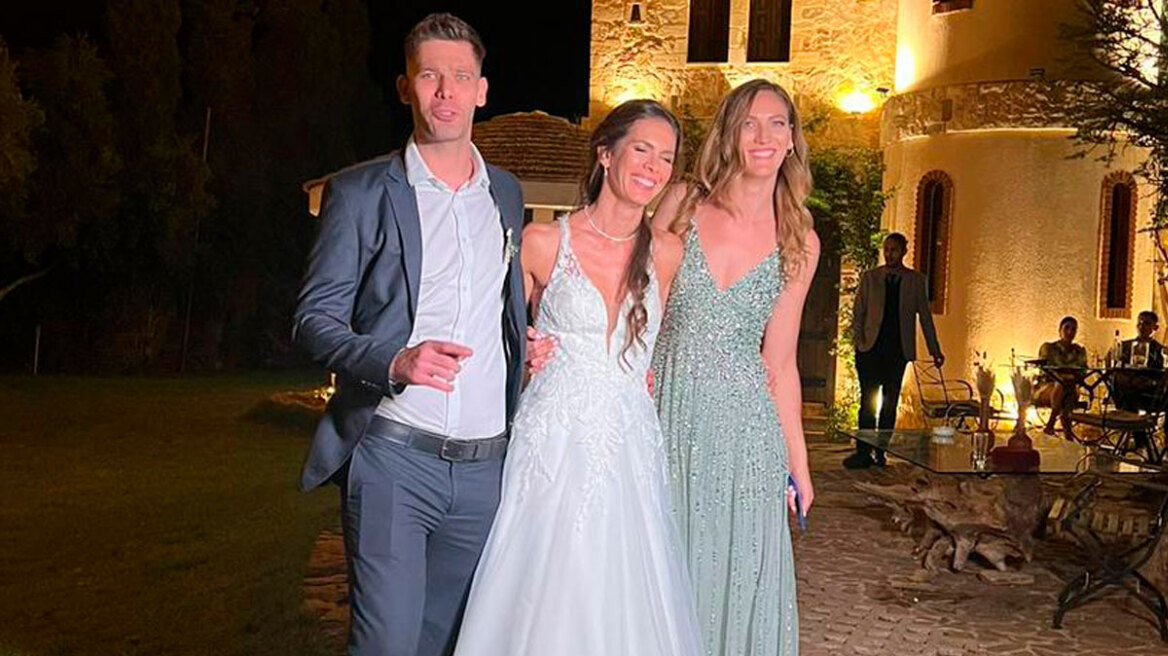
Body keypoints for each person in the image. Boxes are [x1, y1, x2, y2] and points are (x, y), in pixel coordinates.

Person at [292, 15, 527, 656]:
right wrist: (392, 360)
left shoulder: (506, 195)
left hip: (486, 470)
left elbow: (505, 309)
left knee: (452, 645)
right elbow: (314, 319)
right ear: (405, 87)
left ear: (482, 90)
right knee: (387, 644)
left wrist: (532, 341)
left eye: (460, 77)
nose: (445, 92)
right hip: (394, 460)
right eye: (430, 76)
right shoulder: (360, 193)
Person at [454, 100, 701, 656]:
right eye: (642, 150)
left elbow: (653, 350)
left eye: (666, 158)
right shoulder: (542, 242)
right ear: (606, 154)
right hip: (553, 442)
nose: (654, 167)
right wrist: (526, 353)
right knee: (545, 590)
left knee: (626, 589)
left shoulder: (668, 252)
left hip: (629, 443)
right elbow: (494, 346)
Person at [650, 78, 818, 656]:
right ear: (729, 134)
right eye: (749, 123)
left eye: (776, 124)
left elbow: (781, 364)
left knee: (738, 574)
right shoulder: (682, 204)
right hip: (667, 415)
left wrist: (800, 465)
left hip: (747, 433)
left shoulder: (800, 239)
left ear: (791, 139)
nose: (763, 136)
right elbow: (636, 311)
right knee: (660, 567)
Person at [843, 232, 944, 469]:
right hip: (870, 349)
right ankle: (863, 452)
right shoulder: (870, 278)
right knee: (867, 401)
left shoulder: (915, 281)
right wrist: (859, 341)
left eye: (894, 250)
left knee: (890, 403)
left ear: (904, 252)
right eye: (886, 250)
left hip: (897, 351)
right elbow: (859, 312)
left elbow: (925, 318)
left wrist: (935, 350)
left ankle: (881, 451)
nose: (889, 254)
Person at [1035, 316, 1088, 437]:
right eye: (1066, 328)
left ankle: (1052, 425)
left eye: (1073, 329)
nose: (1070, 332)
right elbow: (1044, 370)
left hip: (1070, 389)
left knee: (1067, 388)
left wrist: (1069, 378)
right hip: (1048, 388)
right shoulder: (1048, 348)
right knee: (1062, 385)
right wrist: (1064, 377)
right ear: (1060, 330)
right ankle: (1066, 431)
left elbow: (1083, 372)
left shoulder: (1079, 351)